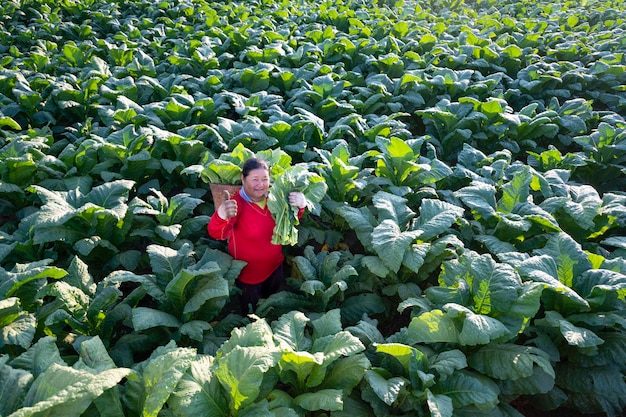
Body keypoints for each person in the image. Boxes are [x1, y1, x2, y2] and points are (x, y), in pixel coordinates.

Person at [207, 157, 306, 314]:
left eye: (264, 179)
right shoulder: (235, 204)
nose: (261, 184)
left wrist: (300, 206)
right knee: (250, 313)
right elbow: (217, 234)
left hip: (275, 265)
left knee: (270, 301)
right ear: (243, 179)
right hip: (248, 275)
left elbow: (289, 221)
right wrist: (220, 215)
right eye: (255, 179)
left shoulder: (276, 197)